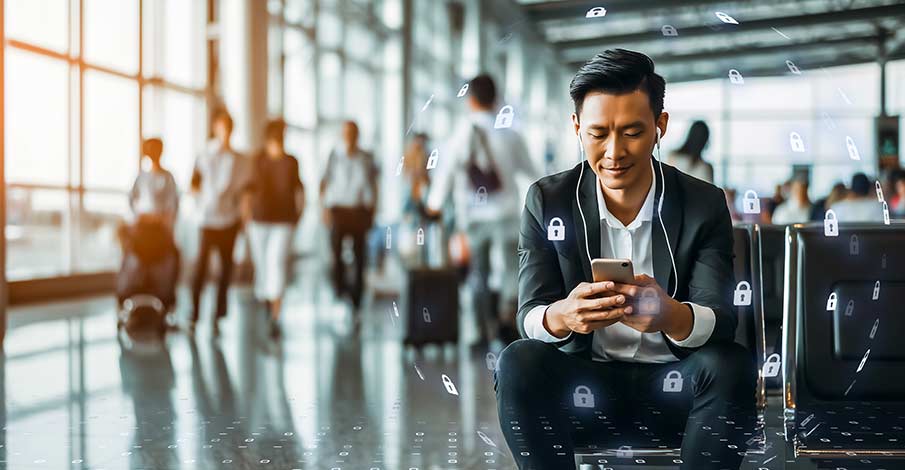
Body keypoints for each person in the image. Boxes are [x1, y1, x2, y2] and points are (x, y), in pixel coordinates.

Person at [494, 49, 755, 470]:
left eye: (632, 132)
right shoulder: (548, 200)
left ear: (660, 127)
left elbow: (722, 319)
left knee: (732, 365)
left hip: (678, 392)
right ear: (577, 128)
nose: (614, 152)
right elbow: (529, 314)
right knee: (517, 361)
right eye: (598, 133)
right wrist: (564, 316)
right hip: (582, 394)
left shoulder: (703, 203)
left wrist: (670, 315)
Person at [425, 74, 542, 349]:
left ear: (471, 100)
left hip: (474, 218)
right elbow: (535, 173)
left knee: (478, 273)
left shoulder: (460, 135)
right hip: (507, 216)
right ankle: (508, 320)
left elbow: (444, 176)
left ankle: (480, 331)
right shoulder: (510, 135)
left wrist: (434, 206)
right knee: (513, 272)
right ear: (496, 99)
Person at [189, 108, 251, 337]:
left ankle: (217, 316)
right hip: (207, 218)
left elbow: (245, 193)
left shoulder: (240, 160)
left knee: (226, 270)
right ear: (216, 128)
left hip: (229, 220)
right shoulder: (204, 155)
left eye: (229, 128)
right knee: (200, 268)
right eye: (222, 127)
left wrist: (243, 218)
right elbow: (194, 184)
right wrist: (199, 204)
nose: (225, 132)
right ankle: (194, 314)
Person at [247, 119, 305, 339]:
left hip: (284, 220)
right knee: (263, 267)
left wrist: (298, 214)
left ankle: (275, 315)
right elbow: (251, 189)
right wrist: (247, 217)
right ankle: (266, 303)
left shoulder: (291, 161)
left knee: (276, 263)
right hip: (259, 220)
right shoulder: (258, 160)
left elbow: (299, 189)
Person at [320, 120, 379, 327]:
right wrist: (323, 209)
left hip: (359, 210)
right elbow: (324, 183)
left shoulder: (366, 158)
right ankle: (340, 293)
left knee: (360, 256)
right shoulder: (334, 156)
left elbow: (373, 184)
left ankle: (356, 300)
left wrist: (373, 211)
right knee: (336, 254)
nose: (349, 136)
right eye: (346, 132)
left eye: (353, 132)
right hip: (339, 210)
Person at [129, 138, 179, 230]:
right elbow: (131, 199)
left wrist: (165, 220)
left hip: (161, 226)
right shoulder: (142, 176)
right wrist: (140, 216)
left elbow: (173, 203)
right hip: (144, 224)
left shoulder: (168, 177)